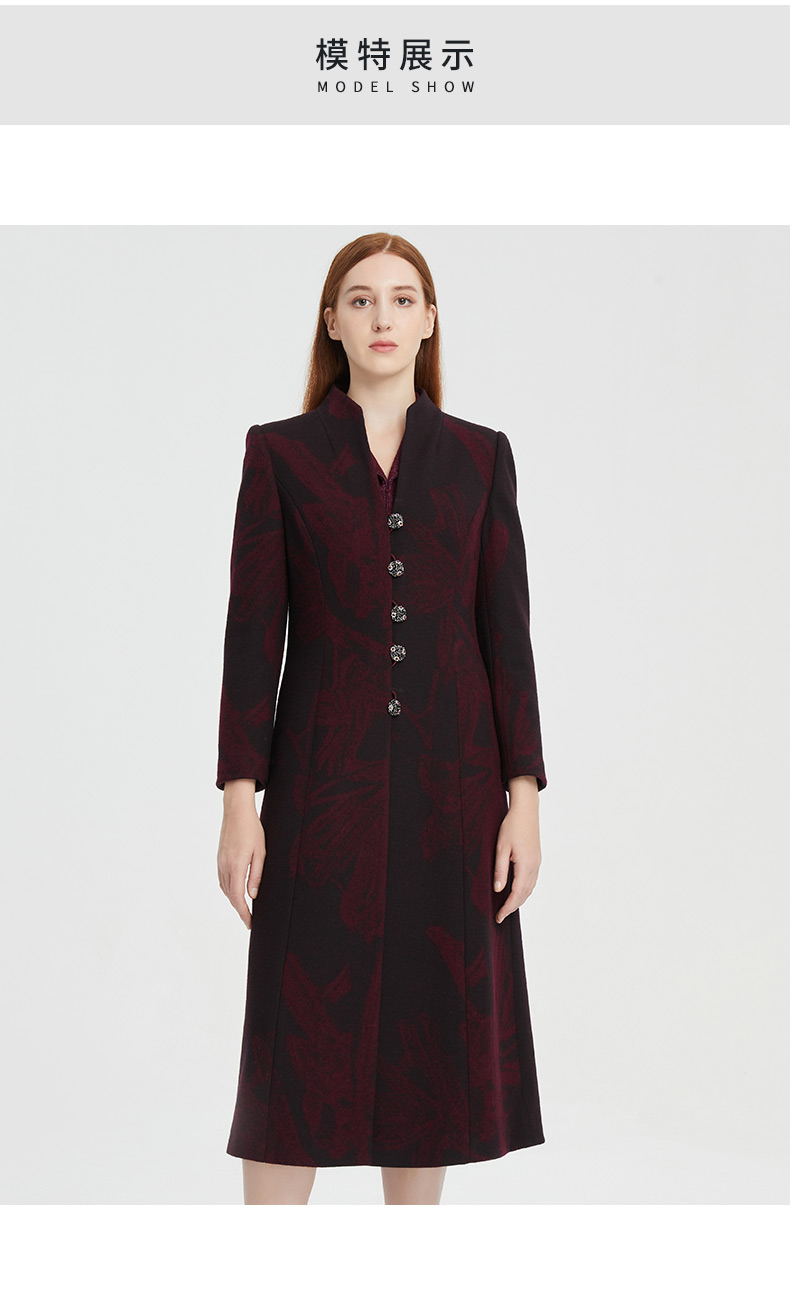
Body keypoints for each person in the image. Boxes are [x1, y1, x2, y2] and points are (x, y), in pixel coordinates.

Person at [216, 232, 548, 1205]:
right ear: (332, 322)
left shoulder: (479, 458)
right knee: (295, 1040)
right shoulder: (280, 454)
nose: (382, 317)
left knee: (430, 1037)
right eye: (360, 300)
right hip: (321, 788)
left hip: (455, 788)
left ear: (430, 319)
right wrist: (240, 802)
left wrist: (523, 799)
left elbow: (508, 637)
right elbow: (252, 636)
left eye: (403, 299)